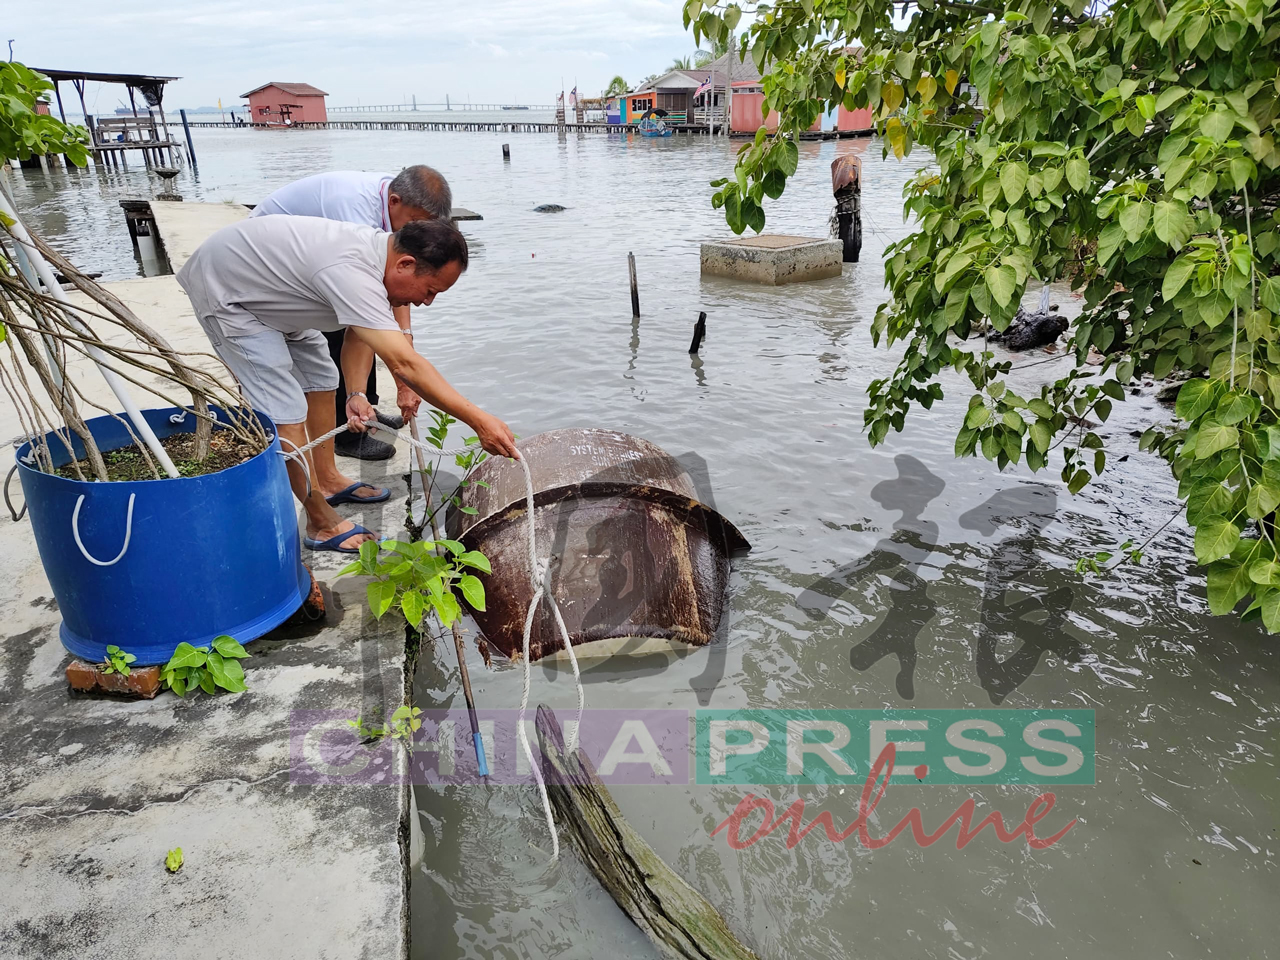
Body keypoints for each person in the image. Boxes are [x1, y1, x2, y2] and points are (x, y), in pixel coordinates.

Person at [177, 214, 516, 553]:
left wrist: (355, 393)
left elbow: (359, 330)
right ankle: (320, 522)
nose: (426, 302)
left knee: (322, 377)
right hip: (228, 292)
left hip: (272, 291)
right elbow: (405, 363)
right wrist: (478, 420)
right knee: (285, 409)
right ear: (406, 263)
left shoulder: (378, 260)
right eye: (430, 291)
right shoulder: (352, 271)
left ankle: (325, 479)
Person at [252, 166, 452, 461]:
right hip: (269, 261)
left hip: (311, 258)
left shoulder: (391, 210)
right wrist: (403, 381)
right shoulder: (354, 213)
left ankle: (365, 407)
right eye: (414, 222)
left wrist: (405, 336)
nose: (415, 232)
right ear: (395, 201)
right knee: (339, 332)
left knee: (367, 331)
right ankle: (345, 431)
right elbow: (371, 303)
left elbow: (397, 289)